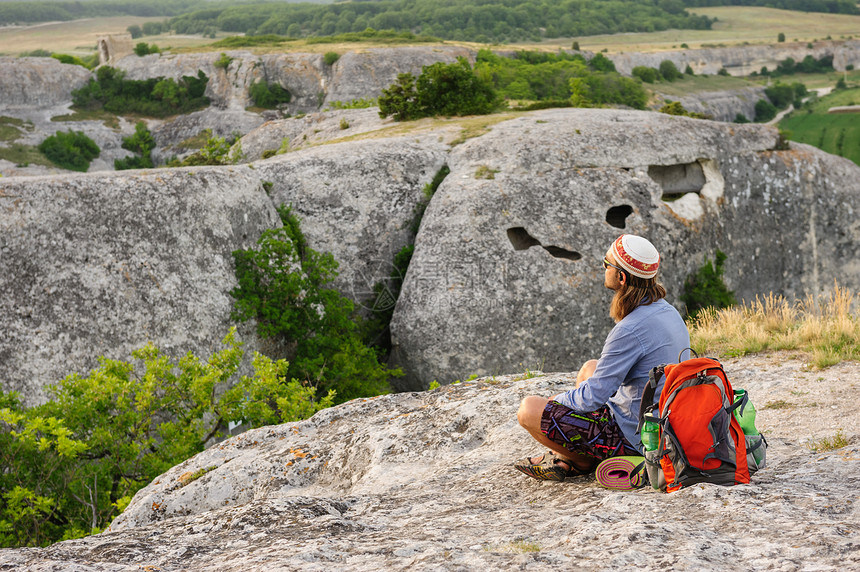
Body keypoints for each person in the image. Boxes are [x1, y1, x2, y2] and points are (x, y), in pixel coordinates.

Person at [514, 234, 690, 481]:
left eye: (606, 264)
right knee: (590, 368)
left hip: (638, 438)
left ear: (622, 277)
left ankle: (580, 459)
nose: (603, 268)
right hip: (661, 421)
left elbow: (592, 397)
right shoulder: (667, 311)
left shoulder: (629, 329)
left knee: (528, 410)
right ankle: (568, 456)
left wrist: (556, 400)